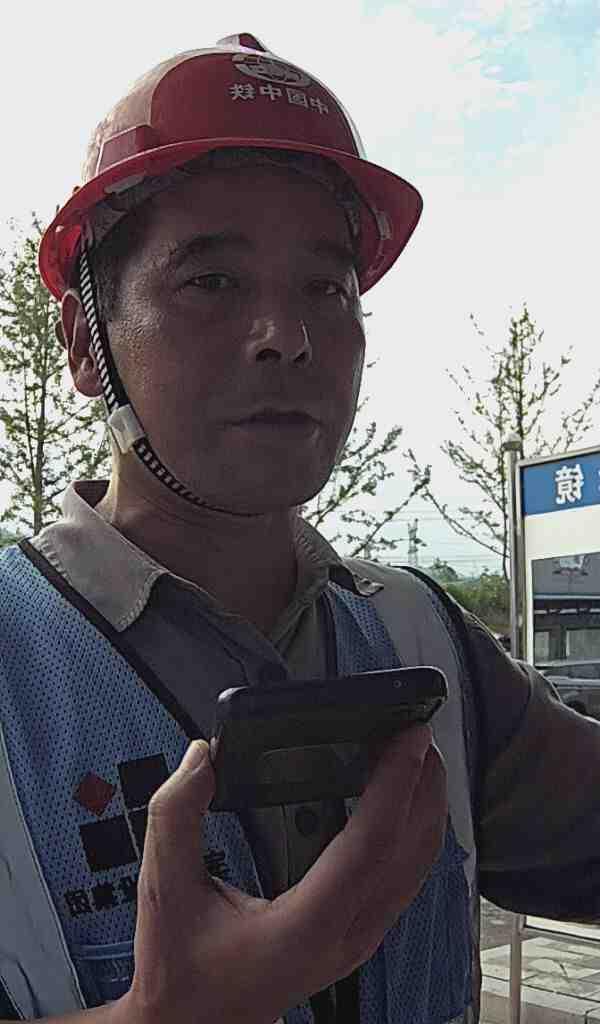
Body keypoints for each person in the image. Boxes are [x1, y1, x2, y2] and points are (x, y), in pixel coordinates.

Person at [0, 31, 598, 1024]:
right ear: (82, 342)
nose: (289, 336)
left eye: (327, 288)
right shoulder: (17, 663)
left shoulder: (422, 638)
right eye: (212, 282)